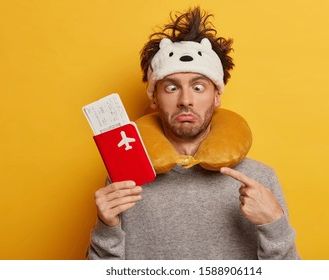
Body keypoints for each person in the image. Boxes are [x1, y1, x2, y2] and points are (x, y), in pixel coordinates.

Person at [87, 7, 300, 260]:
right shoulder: (125, 179)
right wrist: (106, 228)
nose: (185, 100)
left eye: (198, 87)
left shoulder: (258, 178)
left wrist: (274, 225)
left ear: (217, 95)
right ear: (154, 98)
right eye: (171, 87)